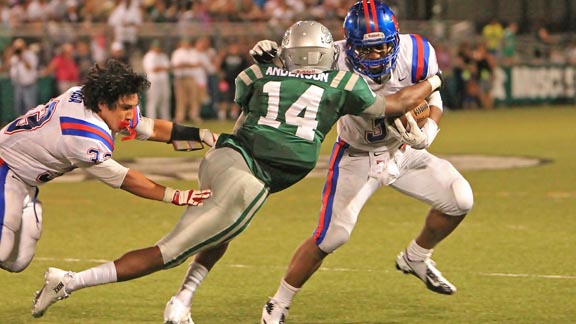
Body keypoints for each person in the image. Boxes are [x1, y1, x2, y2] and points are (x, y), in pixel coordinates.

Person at [30, 21, 443, 323]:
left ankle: (181, 303)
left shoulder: (257, 71)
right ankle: (69, 281)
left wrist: (273, 67)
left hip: (228, 158)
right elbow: (396, 104)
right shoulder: (344, 84)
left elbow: (245, 105)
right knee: (169, 252)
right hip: (250, 174)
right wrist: (433, 82)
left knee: (225, 231)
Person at [255, 2, 474, 323]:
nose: (379, 54)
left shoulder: (415, 51)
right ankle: (278, 303)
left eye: (385, 45)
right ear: (351, 45)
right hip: (356, 155)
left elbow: (433, 97)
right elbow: (291, 69)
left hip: (403, 149)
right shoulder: (333, 59)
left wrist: (429, 130)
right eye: (369, 49)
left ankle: (416, 257)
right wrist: (270, 59)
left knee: (459, 199)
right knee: (332, 236)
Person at [0, 59, 213, 274]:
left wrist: (201, 135)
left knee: (18, 262)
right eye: (125, 108)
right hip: (5, 167)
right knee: (2, 250)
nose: (130, 115)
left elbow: (151, 129)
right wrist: (174, 195)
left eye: (133, 107)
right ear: (102, 103)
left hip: (26, 180)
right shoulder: (83, 134)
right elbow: (124, 178)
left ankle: (25, 205)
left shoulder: (95, 101)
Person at [142, 39, 172, 120]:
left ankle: (165, 119)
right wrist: (162, 68)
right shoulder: (149, 56)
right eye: (156, 47)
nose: (158, 48)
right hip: (153, 81)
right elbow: (153, 69)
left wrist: (160, 68)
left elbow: (169, 67)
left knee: (165, 99)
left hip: (164, 80)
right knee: (153, 101)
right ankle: (151, 119)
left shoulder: (163, 56)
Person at [9, 38, 39, 118]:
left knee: (30, 108)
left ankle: (31, 126)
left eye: (19, 47)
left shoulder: (30, 55)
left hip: (29, 85)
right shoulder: (14, 57)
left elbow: (31, 67)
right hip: (18, 85)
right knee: (19, 108)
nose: (17, 49)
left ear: (24, 46)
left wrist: (23, 58)